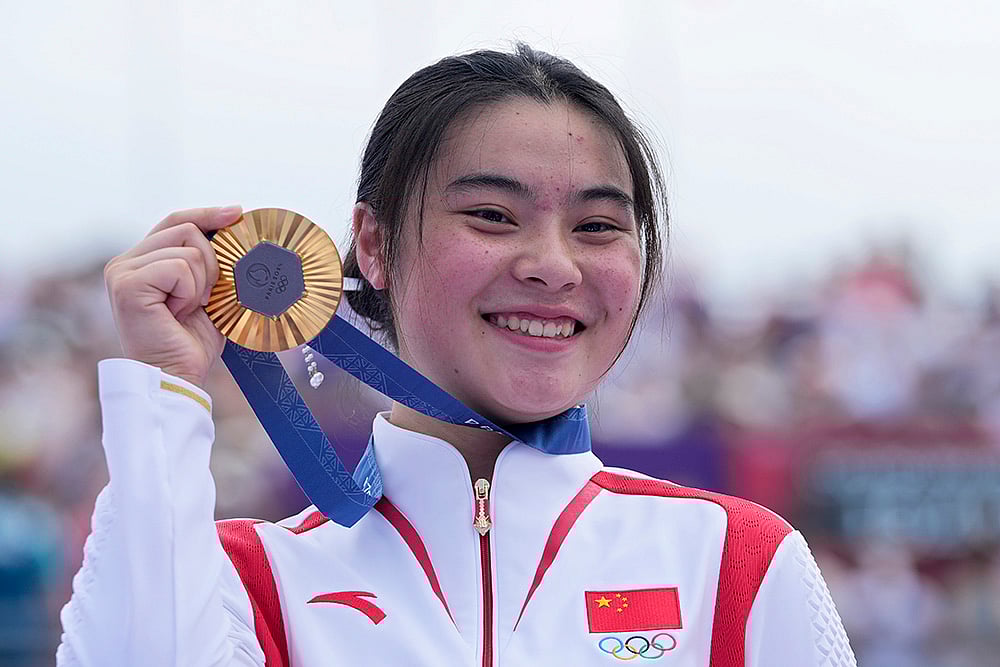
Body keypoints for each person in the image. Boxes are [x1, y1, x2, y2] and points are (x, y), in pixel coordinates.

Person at [56, 44, 856, 666]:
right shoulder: (252, 578)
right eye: (491, 214)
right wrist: (162, 393)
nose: (554, 262)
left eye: (598, 226)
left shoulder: (736, 562)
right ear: (372, 243)